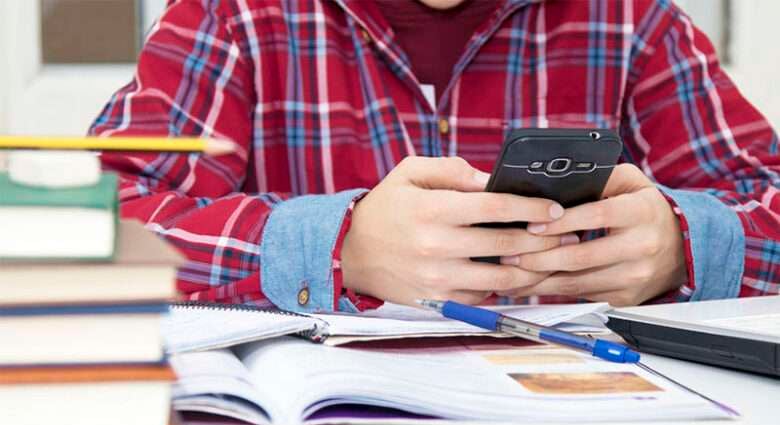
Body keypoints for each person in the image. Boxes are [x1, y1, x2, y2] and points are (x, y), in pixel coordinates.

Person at [90, 0, 780, 313]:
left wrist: (683, 245)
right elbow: (96, 225)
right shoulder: (231, 14)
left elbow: (768, 198)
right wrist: (336, 249)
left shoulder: (634, 20)